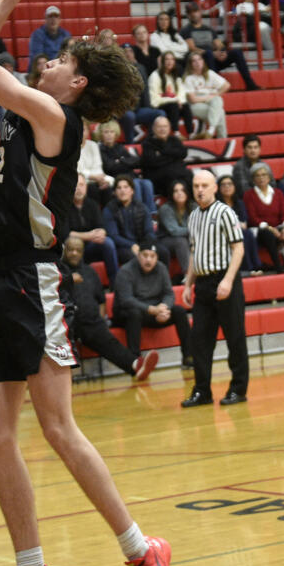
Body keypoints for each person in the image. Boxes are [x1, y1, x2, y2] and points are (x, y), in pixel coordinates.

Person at [0, 0, 176, 566]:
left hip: (33, 279)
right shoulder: (30, 109)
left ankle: (143, 552)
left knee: (58, 429)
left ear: (76, 85)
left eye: (60, 61)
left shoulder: (56, 119)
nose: (48, 62)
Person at [181, 169, 248, 407]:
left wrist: (228, 280)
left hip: (224, 279)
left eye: (204, 185)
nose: (200, 189)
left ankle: (238, 389)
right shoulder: (193, 216)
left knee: (235, 337)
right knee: (199, 340)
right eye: (196, 185)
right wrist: (188, 283)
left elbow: (238, 249)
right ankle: (202, 391)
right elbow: (193, 252)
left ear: (214, 188)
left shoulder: (225, 213)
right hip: (203, 283)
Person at [61, 235, 158, 379]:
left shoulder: (90, 272)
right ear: (64, 251)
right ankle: (135, 364)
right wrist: (67, 280)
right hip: (65, 323)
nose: (74, 253)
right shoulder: (59, 273)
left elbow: (101, 300)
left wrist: (101, 320)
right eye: (71, 250)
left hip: (91, 321)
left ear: (82, 253)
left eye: (78, 250)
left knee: (104, 336)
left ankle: (135, 365)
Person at [112, 241, 193, 369]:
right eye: (145, 255)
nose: (148, 259)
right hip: (127, 313)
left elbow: (169, 294)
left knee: (179, 311)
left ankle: (188, 357)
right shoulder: (126, 271)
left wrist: (164, 308)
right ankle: (135, 361)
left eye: (152, 256)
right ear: (138, 256)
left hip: (154, 311)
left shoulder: (161, 268)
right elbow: (126, 300)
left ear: (157, 257)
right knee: (134, 313)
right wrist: (151, 309)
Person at [180, 2, 260, 91]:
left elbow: (219, 44)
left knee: (237, 52)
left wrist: (223, 53)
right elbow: (192, 48)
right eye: (190, 12)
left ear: (200, 12)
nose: (193, 14)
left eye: (195, 11)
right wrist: (213, 54)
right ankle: (216, 86)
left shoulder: (208, 29)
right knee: (208, 53)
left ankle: (250, 84)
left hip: (213, 60)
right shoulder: (185, 30)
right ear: (187, 15)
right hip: (199, 62)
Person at [104, 175, 169, 267]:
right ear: (114, 192)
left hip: (142, 244)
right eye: (119, 188)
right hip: (123, 247)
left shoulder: (142, 207)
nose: (122, 190)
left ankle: (163, 280)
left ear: (132, 191)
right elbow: (114, 236)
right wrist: (131, 245)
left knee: (163, 252)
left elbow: (149, 232)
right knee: (133, 257)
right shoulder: (109, 209)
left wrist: (145, 247)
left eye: (126, 187)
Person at [66, 173, 119, 287]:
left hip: (91, 246)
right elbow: (65, 233)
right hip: (72, 247)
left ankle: (115, 285)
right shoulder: (64, 206)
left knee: (108, 243)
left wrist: (101, 233)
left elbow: (101, 227)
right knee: (75, 245)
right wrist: (89, 236)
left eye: (81, 185)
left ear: (86, 187)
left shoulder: (92, 204)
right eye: (75, 185)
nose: (79, 188)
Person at [243, 162, 284, 272]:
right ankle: (278, 266)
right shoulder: (249, 195)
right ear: (253, 179)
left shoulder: (278, 193)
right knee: (267, 234)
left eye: (264, 175)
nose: (261, 178)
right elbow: (253, 218)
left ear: (269, 177)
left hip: (277, 226)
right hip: (259, 229)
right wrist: (271, 229)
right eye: (257, 175)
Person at [97, 119, 155, 208]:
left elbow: (137, 162)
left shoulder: (120, 147)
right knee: (135, 183)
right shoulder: (100, 149)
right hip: (116, 178)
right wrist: (125, 161)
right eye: (106, 132)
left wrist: (120, 161)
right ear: (101, 134)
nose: (109, 135)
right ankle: (137, 211)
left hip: (130, 176)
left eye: (112, 132)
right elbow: (110, 167)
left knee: (147, 183)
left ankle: (151, 213)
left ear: (116, 134)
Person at [217, 174, 263, 275]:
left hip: (239, 230)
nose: (227, 187)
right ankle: (247, 268)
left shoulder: (240, 203)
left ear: (234, 187)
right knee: (242, 234)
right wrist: (236, 225)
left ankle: (256, 266)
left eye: (229, 184)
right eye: (223, 185)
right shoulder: (217, 205)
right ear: (219, 188)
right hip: (223, 234)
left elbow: (244, 223)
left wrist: (235, 225)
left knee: (248, 233)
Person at [140, 115, 191, 197]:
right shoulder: (147, 143)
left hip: (178, 175)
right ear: (153, 128)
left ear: (169, 128)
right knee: (173, 176)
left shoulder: (174, 140)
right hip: (158, 179)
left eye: (165, 126)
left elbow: (183, 153)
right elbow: (153, 162)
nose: (162, 129)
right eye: (159, 127)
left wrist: (162, 152)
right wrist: (174, 157)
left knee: (189, 176)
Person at [183, 52, 229, 139]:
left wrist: (216, 94)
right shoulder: (188, 78)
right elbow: (193, 100)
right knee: (220, 112)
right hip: (195, 105)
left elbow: (227, 85)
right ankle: (222, 139)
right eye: (194, 61)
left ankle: (211, 130)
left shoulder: (210, 73)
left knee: (217, 99)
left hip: (211, 103)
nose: (197, 63)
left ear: (203, 61)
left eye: (199, 59)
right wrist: (209, 97)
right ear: (190, 64)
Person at [149, 52, 193, 137]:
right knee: (174, 105)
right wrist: (174, 100)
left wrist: (179, 101)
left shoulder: (175, 75)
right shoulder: (155, 76)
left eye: (172, 59)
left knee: (186, 106)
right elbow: (154, 99)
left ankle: (191, 133)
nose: (169, 62)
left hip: (174, 104)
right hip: (160, 105)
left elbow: (181, 93)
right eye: (167, 59)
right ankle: (176, 133)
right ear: (162, 62)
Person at [157, 179, 195, 277]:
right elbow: (174, 231)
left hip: (188, 239)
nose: (179, 193)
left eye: (182, 190)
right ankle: (188, 275)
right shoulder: (165, 208)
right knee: (180, 241)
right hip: (165, 241)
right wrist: (195, 230)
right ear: (171, 194)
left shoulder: (193, 206)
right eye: (176, 191)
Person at [27, 5, 72, 71]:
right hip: (42, 70)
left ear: (60, 20)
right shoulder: (37, 35)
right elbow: (38, 57)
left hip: (60, 69)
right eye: (50, 16)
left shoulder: (66, 34)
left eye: (56, 16)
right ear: (45, 19)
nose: (53, 19)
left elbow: (70, 54)